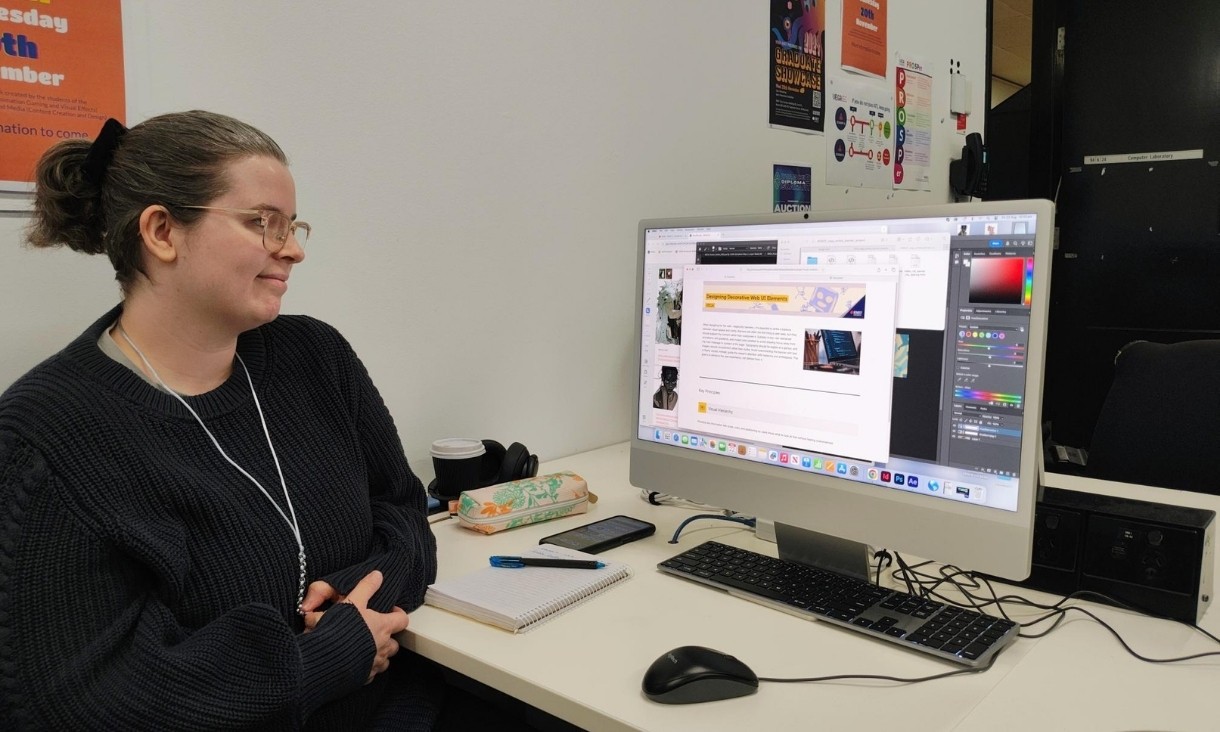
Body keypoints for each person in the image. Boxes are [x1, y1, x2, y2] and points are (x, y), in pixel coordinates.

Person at [0, 112, 444, 729]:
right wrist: (329, 654)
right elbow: (93, 703)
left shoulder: (315, 357)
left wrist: (365, 590)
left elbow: (401, 508)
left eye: (294, 225)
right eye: (263, 223)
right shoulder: (45, 437)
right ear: (161, 231)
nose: (293, 249)